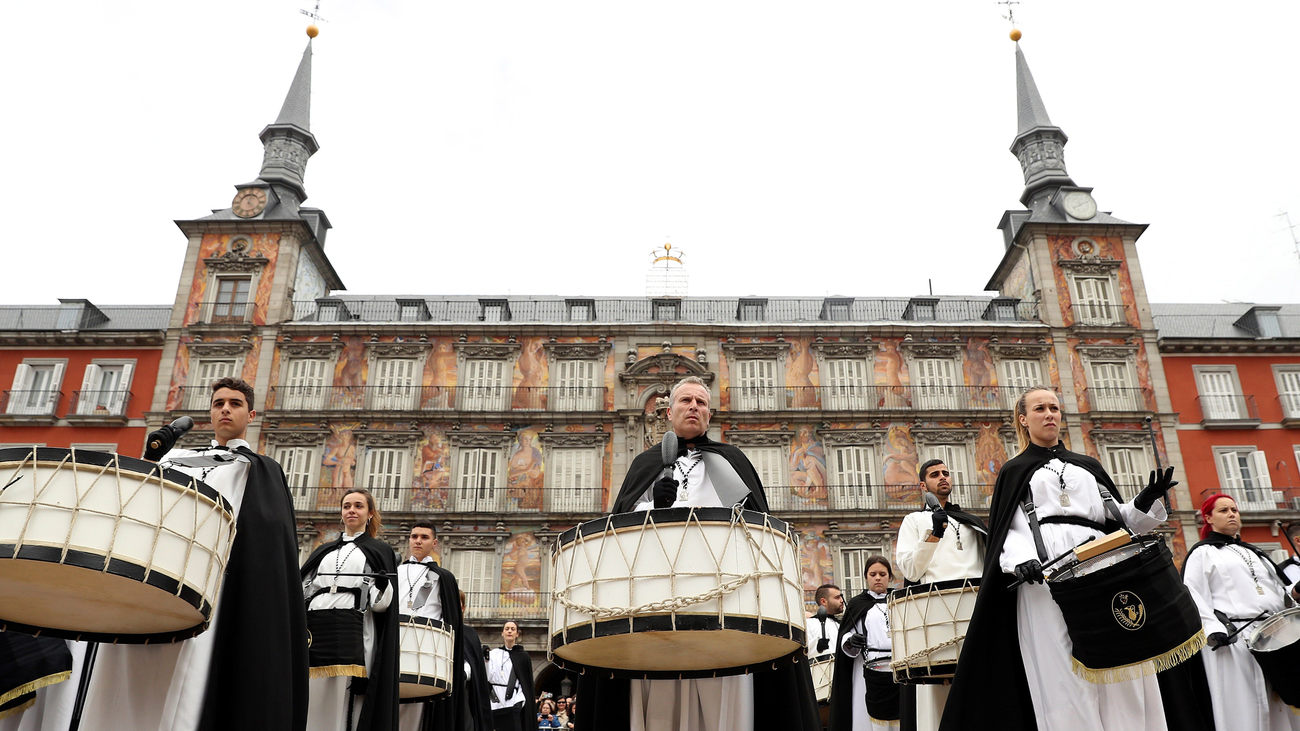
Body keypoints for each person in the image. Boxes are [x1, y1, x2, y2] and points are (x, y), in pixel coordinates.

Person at [937, 386, 1202, 731]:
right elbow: (1010, 528)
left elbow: (1120, 522)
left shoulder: (1088, 466)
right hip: (1046, 576)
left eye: (1054, 408)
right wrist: (1020, 561)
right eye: (1039, 409)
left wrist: (1144, 501)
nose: (1049, 414)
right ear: (1023, 419)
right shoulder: (1014, 471)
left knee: (1120, 660)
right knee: (1061, 668)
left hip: (1102, 567)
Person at [575, 376, 822, 731]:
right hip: (658, 605)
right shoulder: (645, 465)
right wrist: (653, 508)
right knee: (656, 699)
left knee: (729, 699)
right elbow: (621, 537)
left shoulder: (732, 460)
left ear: (709, 414)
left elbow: (756, 530)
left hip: (726, 605)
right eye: (686, 401)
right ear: (669, 411)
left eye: (701, 403)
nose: (694, 407)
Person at [77, 377, 310, 731]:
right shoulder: (174, 459)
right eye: (218, 404)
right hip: (153, 583)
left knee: (189, 682)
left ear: (251, 414)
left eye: (234, 403)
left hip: (213, 592)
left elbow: (266, 544)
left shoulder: (259, 470)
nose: (225, 409)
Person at [1184, 493, 1300, 731]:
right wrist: (1213, 629)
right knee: (1244, 704)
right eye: (1223, 510)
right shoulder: (1202, 553)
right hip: (1233, 638)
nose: (1231, 514)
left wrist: (1296, 590)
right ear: (1208, 518)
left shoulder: (1256, 553)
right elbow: (1192, 595)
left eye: (1234, 510)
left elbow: (1280, 593)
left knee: (1281, 702)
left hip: (1275, 636)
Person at [894, 461, 988, 731]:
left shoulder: (973, 524)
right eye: (935, 475)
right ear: (923, 486)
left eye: (946, 473)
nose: (943, 477)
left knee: (981, 694)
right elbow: (911, 568)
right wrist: (934, 534)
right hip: (936, 622)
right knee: (936, 702)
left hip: (973, 615)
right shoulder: (914, 521)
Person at [301, 487, 399, 731]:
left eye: (358, 506)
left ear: (369, 514)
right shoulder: (323, 550)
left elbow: (381, 604)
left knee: (346, 695)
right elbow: (302, 590)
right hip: (316, 626)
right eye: (347, 506)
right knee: (315, 691)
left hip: (355, 626)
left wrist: (384, 582)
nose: (351, 510)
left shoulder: (380, 551)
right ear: (341, 513)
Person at [396, 521, 466, 731]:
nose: (418, 540)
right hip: (396, 643)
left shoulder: (443, 577)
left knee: (420, 708)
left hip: (426, 652)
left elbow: (450, 620)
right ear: (409, 540)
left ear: (434, 542)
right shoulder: (395, 572)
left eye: (424, 537)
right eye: (414, 536)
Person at [830, 556, 898, 731]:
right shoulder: (856, 604)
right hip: (867, 666)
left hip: (898, 665)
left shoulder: (900, 600)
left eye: (882, 574)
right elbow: (845, 636)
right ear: (866, 577)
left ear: (889, 577)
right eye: (873, 574)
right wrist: (851, 641)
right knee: (866, 715)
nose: (877, 578)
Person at [457, 591, 496, 731]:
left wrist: (463, 672)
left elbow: (474, 664)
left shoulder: (469, 633)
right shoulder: (439, 628)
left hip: (464, 690)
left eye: (459, 602)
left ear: (463, 607)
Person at [487, 621, 535, 731]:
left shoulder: (523, 656)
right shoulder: (493, 654)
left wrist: (518, 702)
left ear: (517, 634)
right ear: (502, 633)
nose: (509, 631)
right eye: (507, 628)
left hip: (512, 703)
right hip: (494, 703)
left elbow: (525, 683)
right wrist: (485, 659)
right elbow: (488, 676)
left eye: (513, 629)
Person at [807, 585, 845, 659]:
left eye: (841, 597)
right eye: (837, 597)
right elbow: (803, 651)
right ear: (823, 601)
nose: (842, 600)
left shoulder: (841, 625)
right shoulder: (808, 624)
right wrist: (817, 646)